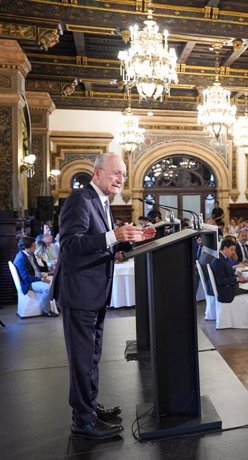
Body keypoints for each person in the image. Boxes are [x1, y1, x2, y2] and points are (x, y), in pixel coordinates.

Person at [53, 152, 156, 440]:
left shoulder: (102, 202)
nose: (121, 179)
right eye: (115, 174)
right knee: (82, 358)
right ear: (97, 173)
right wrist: (114, 236)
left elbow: (100, 247)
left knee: (93, 356)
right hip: (79, 293)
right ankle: (82, 421)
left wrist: (129, 241)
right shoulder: (79, 200)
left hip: (95, 292)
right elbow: (71, 245)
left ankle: (90, 407)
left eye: (123, 174)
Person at [211, 239, 248, 322]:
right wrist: (237, 279)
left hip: (229, 286)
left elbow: (228, 274)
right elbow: (221, 281)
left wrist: (240, 279)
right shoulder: (219, 261)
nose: (233, 252)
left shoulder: (222, 258)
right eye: (231, 250)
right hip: (226, 291)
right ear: (225, 248)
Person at [13, 236, 54, 316]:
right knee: (48, 288)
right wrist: (41, 279)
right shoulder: (21, 258)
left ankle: (54, 305)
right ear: (26, 247)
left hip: (35, 277)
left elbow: (37, 268)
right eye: (33, 246)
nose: (35, 247)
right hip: (28, 283)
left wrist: (48, 270)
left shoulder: (29, 254)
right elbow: (26, 278)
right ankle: (46, 310)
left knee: (57, 281)